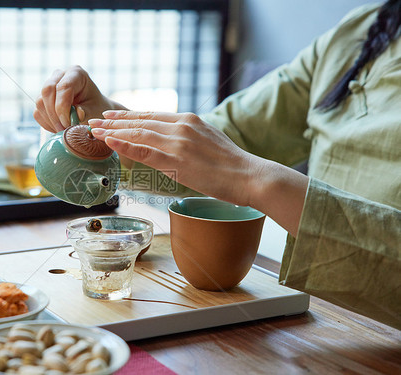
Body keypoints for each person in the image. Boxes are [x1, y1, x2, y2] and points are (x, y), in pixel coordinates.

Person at [34, 1, 401, 329]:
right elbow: (232, 138)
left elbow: (234, 162)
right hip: (316, 314)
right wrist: (107, 122)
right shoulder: (363, 30)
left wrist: (262, 181)